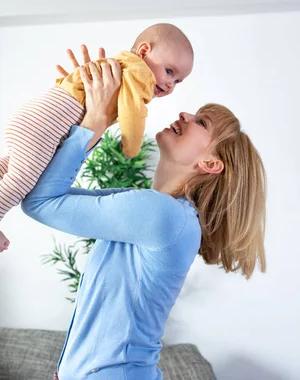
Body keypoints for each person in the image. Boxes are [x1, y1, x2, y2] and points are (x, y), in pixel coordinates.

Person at [20, 47, 267, 380]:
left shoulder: (162, 215)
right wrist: (85, 111)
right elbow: (46, 195)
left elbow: (40, 201)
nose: (184, 115)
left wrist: (94, 119)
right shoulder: (158, 210)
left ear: (210, 164)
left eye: (201, 122)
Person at [0, 23, 194, 253]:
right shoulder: (140, 74)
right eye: (169, 71)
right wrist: (131, 146)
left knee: (19, 162)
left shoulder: (117, 64)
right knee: (23, 178)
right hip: (48, 123)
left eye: (177, 81)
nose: (170, 84)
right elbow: (133, 111)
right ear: (144, 51)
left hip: (39, 114)